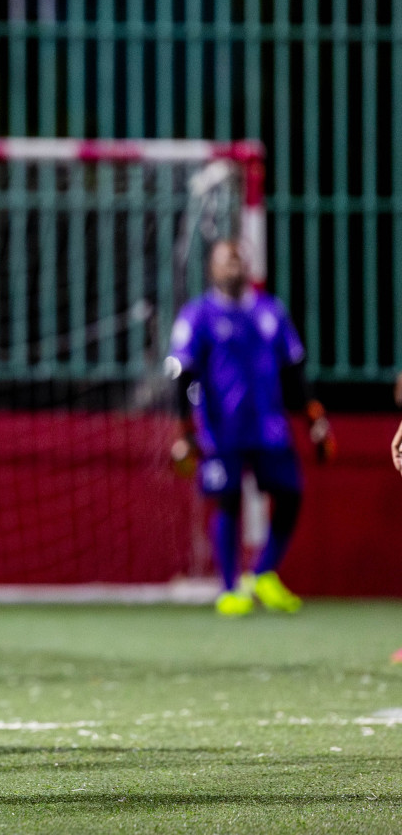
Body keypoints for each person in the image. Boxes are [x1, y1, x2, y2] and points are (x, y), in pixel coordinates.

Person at [168, 240, 332, 617]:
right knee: (227, 500)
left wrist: (314, 418)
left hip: (268, 425)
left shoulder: (270, 310)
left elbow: (293, 370)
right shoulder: (198, 314)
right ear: (212, 269)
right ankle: (229, 589)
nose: (234, 266)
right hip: (221, 428)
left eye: (239, 260)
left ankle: (263, 573)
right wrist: (185, 432)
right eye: (227, 261)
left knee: (290, 493)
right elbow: (182, 373)